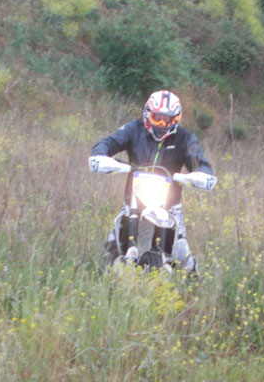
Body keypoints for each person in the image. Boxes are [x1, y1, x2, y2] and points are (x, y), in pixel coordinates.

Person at [90, 90, 215, 270]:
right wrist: (100, 155)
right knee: (110, 250)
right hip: (133, 200)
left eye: (167, 119)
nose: (162, 124)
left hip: (169, 205)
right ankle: (105, 279)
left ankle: (193, 282)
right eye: (157, 118)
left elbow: (199, 161)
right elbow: (109, 142)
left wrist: (202, 174)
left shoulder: (185, 138)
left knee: (181, 253)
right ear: (148, 114)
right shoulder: (134, 129)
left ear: (176, 119)